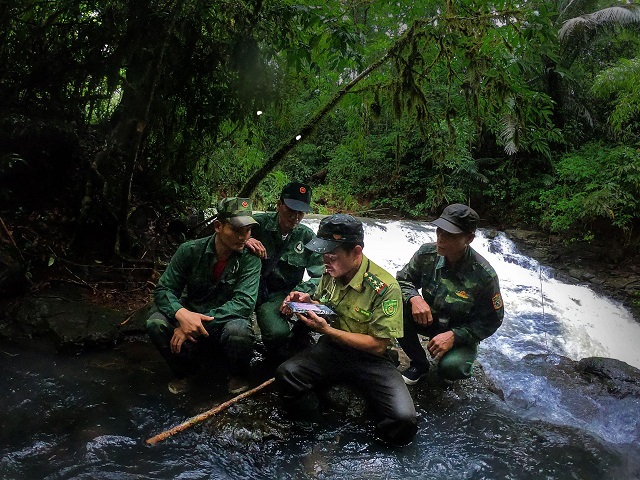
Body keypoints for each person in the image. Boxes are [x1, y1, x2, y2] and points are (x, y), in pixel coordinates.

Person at [275, 214, 418, 446]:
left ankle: (373, 453)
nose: (325, 261)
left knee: (404, 420)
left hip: (372, 359)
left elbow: (378, 344)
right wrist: (307, 301)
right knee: (287, 375)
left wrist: (328, 332)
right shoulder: (331, 271)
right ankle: (316, 434)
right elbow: (326, 305)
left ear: (356, 253)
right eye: (323, 255)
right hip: (334, 349)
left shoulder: (385, 288)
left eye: (332, 256)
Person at [146, 197, 261, 395]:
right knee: (155, 324)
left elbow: (244, 304)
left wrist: (195, 324)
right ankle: (184, 372)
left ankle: (237, 374)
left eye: (247, 230)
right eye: (236, 229)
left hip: (223, 322)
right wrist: (181, 314)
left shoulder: (251, 259)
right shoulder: (189, 250)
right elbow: (164, 289)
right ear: (218, 226)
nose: (243, 236)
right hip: (190, 314)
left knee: (239, 331)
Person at [396, 203, 504, 385]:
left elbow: (493, 320)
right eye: (439, 231)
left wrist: (456, 336)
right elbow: (401, 281)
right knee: (393, 303)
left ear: (469, 238)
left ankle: (448, 363)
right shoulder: (426, 254)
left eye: (450, 235)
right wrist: (414, 298)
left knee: (452, 368)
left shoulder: (484, 276)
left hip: (459, 331)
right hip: (429, 320)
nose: (440, 239)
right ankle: (419, 364)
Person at [244, 182, 324, 362]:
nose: (295, 217)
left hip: (279, 296)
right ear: (279, 205)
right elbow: (225, 236)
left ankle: (292, 344)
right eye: (290, 210)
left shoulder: (307, 236)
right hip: (248, 289)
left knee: (279, 333)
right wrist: (244, 240)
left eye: (301, 212)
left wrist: (300, 294)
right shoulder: (256, 225)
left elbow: (321, 275)